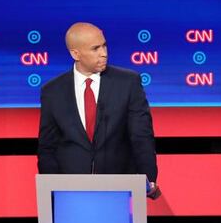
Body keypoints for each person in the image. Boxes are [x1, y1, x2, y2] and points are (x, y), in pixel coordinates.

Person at [38, 22, 160, 198]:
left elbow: (141, 136)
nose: (104, 53)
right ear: (75, 54)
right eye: (95, 49)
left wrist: (149, 179)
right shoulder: (52, 91)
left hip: (119, 187)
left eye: (104, 45)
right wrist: (52, 188)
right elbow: (47, 147)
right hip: (70, 191)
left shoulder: (128, 82)